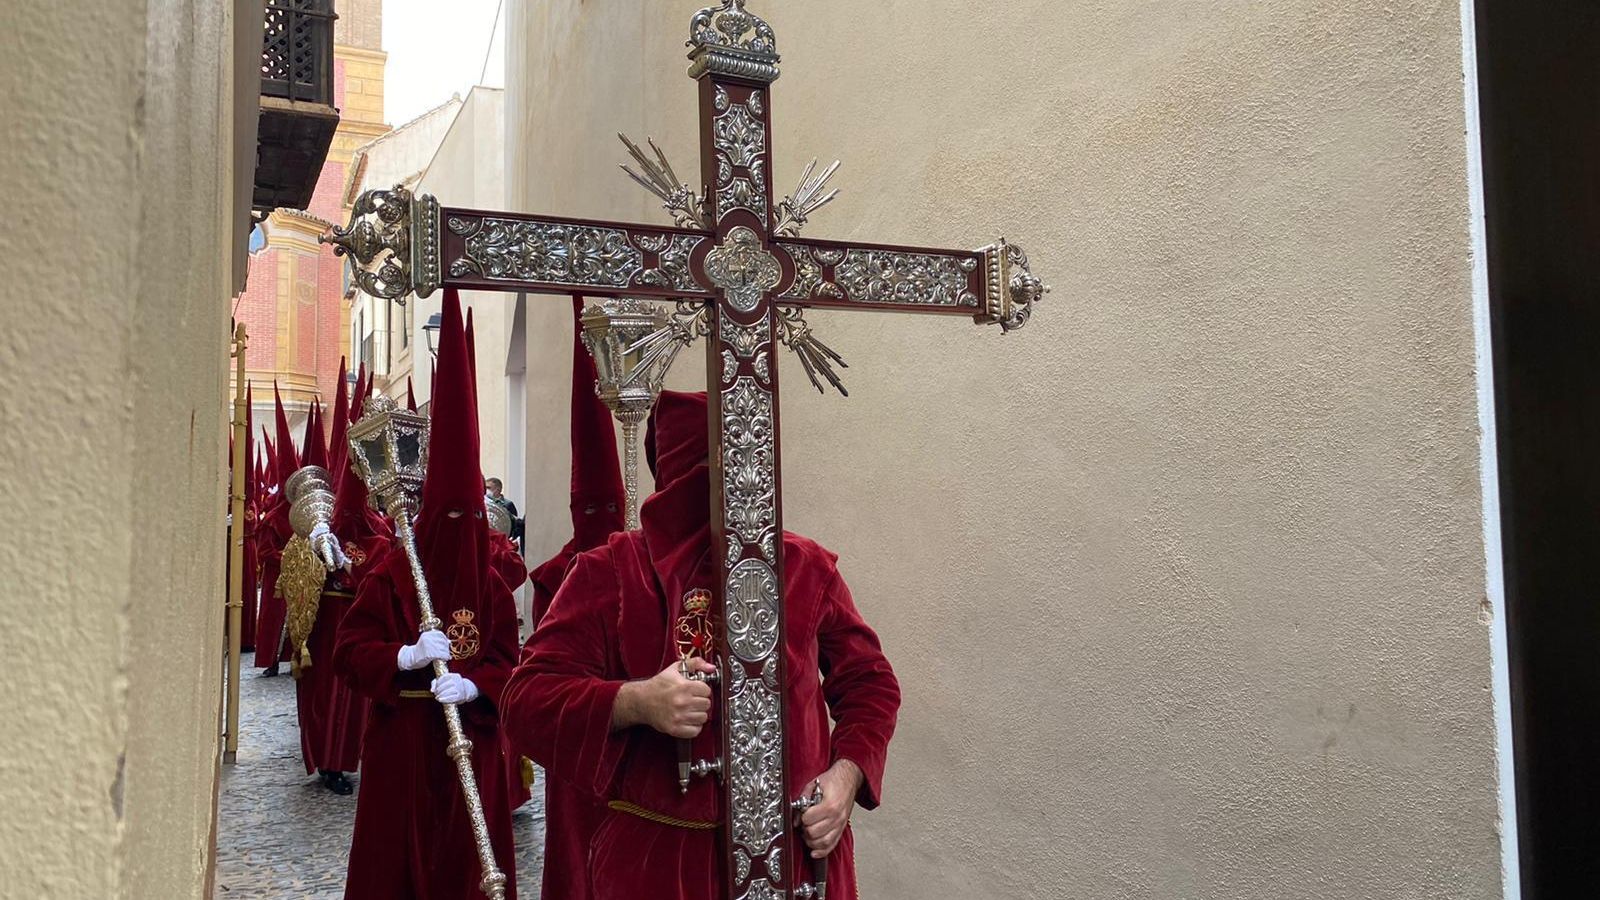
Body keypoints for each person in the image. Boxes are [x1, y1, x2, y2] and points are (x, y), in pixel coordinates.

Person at [501, 390, 902, 899]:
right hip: (660, 870)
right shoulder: (611, 573)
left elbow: (870, 684)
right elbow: (526, 699)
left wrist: (845, 779)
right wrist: (635, 701)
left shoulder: (805, 568)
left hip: (796, 861)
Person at [334, 289, 519, 900]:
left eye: (475, 517)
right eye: (453, 517)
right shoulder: (393, 575)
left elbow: (512, 668)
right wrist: (403, 658)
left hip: (475, 751)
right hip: (402, 751)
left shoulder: (491, 586)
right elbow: (349, 650)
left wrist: (475, 685)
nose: (465, 531)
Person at [516, 297, 627, 900]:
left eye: (609, 512)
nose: (601, 522)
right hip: (582, 749)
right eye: (591, 511)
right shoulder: (556, 578)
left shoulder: (647, 565)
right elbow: (547, 673)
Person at [289, 361, 381, 796]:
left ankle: (346, 759)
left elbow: (381, 572)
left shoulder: (380, 531)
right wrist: (319, 555)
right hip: (326, 624)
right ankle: (327, 763)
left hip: (358, 622)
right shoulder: (316, 531)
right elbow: (295, 577)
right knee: (326, 694)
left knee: (354, 698)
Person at [484, 477, 524, 552]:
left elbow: (511, 525)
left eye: (488, 487)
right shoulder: (486, 502)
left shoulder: (508, 504)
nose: (486, 490)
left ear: (497, 490)